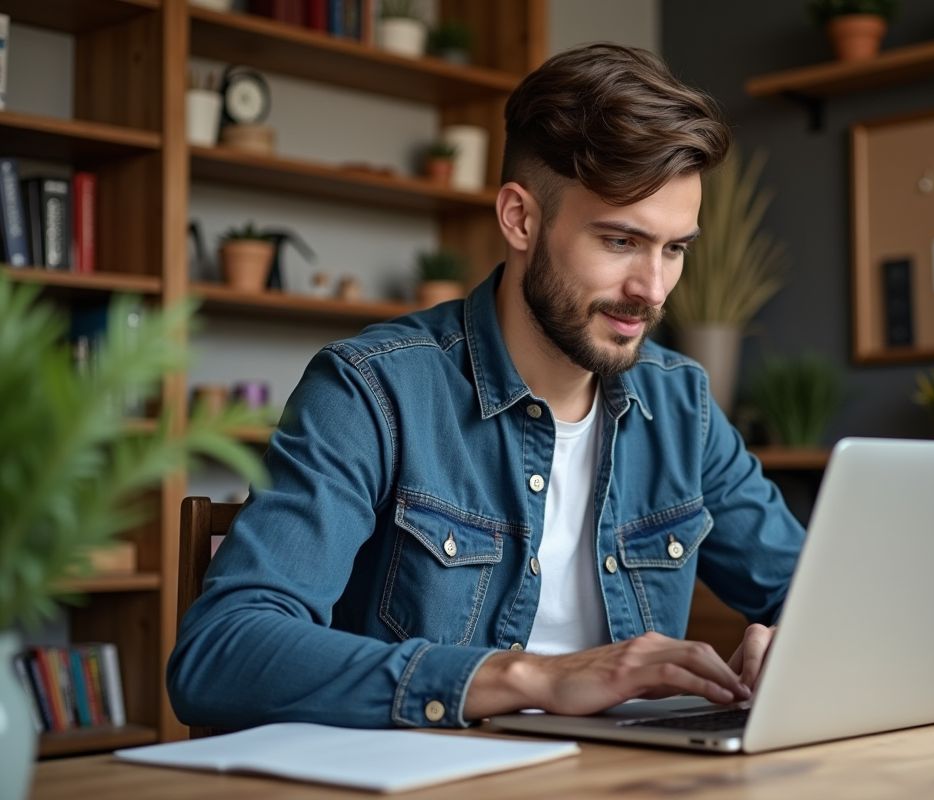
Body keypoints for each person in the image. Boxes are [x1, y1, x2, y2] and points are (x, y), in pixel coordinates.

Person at [168, 43, 806, 731]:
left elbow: (815, 592)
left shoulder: (682, 407)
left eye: (674, 248)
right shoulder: (372, 390)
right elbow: (219, 654)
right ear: (520, 219)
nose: (651, 290)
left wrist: (800, 638)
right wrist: (527, 677)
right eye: (621, 242)